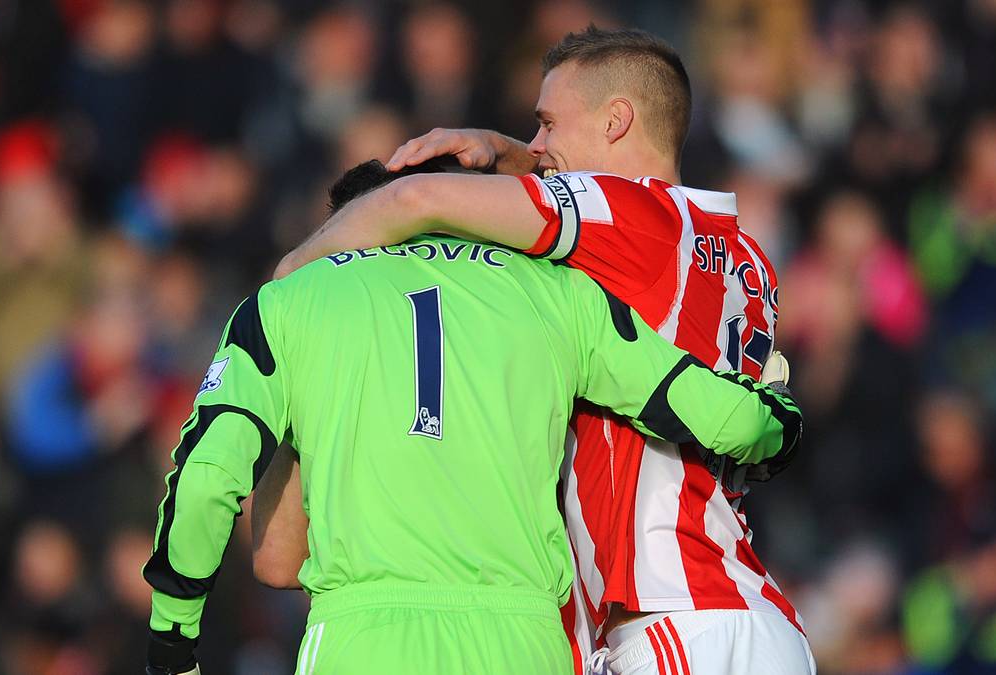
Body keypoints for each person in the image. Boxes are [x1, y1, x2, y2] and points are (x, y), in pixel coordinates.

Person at [267, 26, 814, 675]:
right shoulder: (744, 260)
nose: (537, 146)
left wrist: (289, 285)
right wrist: (509, 156)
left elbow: (416, 198)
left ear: (617, 120)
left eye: (549, 124)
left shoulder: (635, 220)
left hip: (671, 616)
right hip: (748, 612)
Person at [143, 160, 802, 675]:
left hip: (365, 637)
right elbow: (727, 418)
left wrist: (174, 642)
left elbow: (206, 482)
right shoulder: (557, 292)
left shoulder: (289, 302)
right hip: (523, 639)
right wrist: (780, 420)